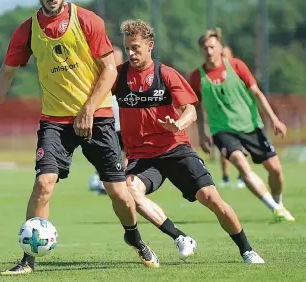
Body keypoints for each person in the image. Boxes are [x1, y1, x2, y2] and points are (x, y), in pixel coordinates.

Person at [0, 0, 159, 276]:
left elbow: (110, 68)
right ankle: (28, 259)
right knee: (44, 184)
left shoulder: (87, 21)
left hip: (96, 117)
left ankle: (135, 238)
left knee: (117, 193)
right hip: (55, 122)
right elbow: (5, 76)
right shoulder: (27, 30)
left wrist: (88, 108)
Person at [114, 19, 265, 264]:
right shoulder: (118, 76)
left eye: (136, 48)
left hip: (176, 149)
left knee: (212, 199)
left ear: (150, 45)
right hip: (143, 156)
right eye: (127, 48)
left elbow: (191, 110)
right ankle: (180, 237)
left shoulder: (166, 74)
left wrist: (178, 124)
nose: (130, 53)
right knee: (130, 190)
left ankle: (247, 250)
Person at [189, 28, 295, 222]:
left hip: (250, 126)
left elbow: (257, 94)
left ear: (220, 47)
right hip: (222, 130)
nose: (209, 51)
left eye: (212, 47)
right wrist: (203, 135)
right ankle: (275, 209)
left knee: (276, 170)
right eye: (205, 48)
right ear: (201, 51)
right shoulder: (197, 77)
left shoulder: (236, 66)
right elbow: (196, 107)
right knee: (241, 164)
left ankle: (278, 203)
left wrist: (274, 120)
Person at [89, 46, 126, 195]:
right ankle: (101, 180)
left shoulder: (124, 78)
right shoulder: (101, 79)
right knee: (105, 153)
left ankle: (122, 182)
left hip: (123, 125)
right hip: (108, 123)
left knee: (124, 154)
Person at [218, 45, 245, 189]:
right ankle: (226, 178)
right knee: (224, 151)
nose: (223, 57)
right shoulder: (214, 73)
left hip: (239, 119)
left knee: (239, 150)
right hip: (222, 119)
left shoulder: (237, 71)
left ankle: (242, 177)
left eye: (225, 54)